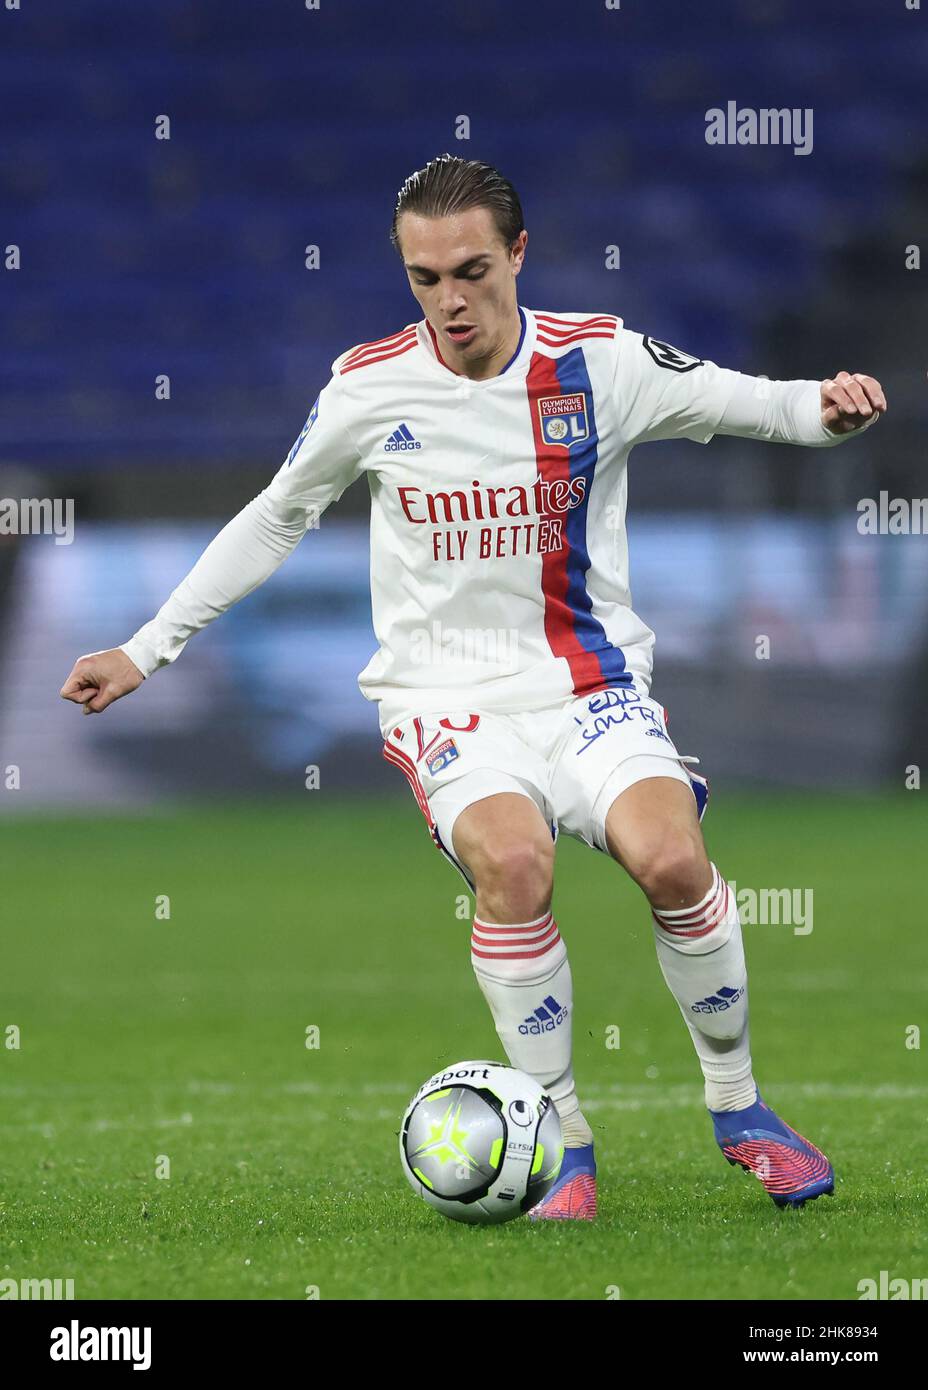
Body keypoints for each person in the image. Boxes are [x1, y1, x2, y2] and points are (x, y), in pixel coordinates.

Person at [61, 154, 886, 1220]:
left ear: (518, 256)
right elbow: (276, 514)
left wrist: (830, 410)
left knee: (675, 858)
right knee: (514, 864)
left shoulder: (602, 361)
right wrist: (147, 646)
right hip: (443, 697)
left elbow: (758, 405)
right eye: (423, 277)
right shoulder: (368, 386)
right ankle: (560, 1138)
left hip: (588, 681)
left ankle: (741, 1110)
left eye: (470, 270)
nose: (448, 299)